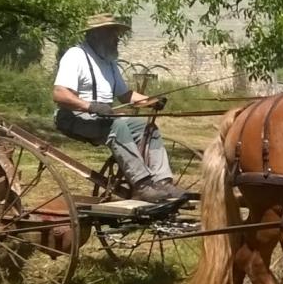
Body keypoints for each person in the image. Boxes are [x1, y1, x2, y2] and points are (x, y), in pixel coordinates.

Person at [52, 13, 184, 203]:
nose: (117, 39)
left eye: (117, 34)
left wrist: (151, 101)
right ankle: (142, 185)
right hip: (73, 117)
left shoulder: (109, 62)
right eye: (112, 34)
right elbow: (59, 94)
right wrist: (90, 106)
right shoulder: (76, 56)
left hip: (103, 118)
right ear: (96, 34)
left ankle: (163, 182)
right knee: (117, 126)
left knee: (147, 127)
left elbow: (125, 95)